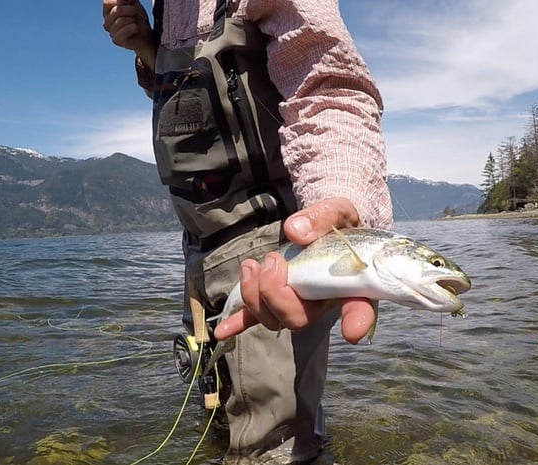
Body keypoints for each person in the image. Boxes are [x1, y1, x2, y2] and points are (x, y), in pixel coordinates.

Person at [102, 0, 393, 463]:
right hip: (198, 256)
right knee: (218, 419)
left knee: (275, 449)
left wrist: (339, 202)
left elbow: (327, 87)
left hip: (270, 251)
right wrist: (145, 46)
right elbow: (207, 99)